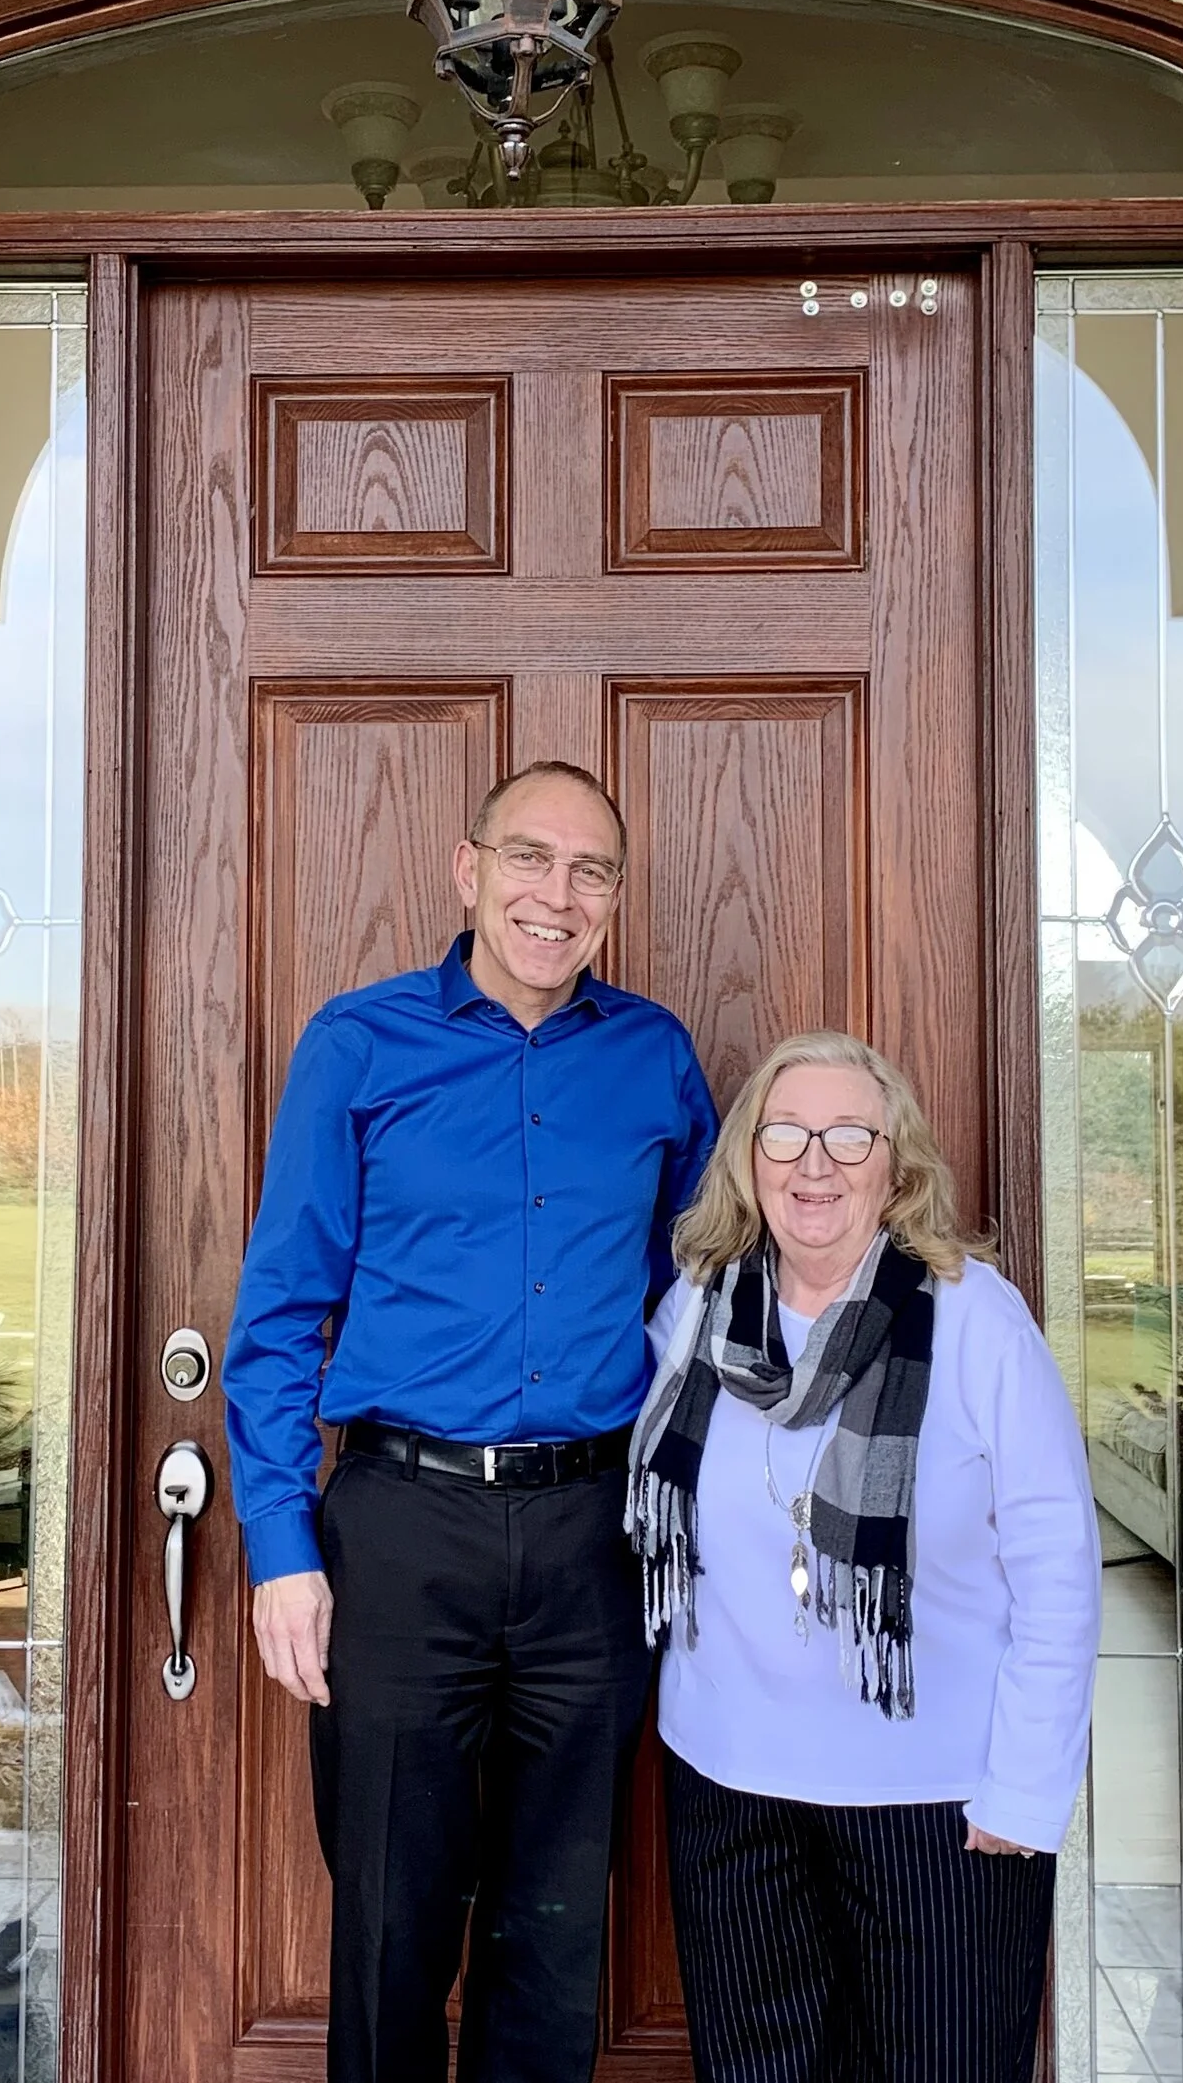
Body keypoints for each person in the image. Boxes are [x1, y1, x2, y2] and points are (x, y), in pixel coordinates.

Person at [223, 761, 719, 2083]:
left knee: (555, 1934)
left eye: (591, 870)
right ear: (469, 870)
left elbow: (703, 1294)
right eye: (529, 858)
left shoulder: (656, 1056)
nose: (558, 894)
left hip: (593, 1537)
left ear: (615, 896)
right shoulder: (357, 1043)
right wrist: (280, 1547)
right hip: (402, 1530)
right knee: (391, 1921)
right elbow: (281, 1313)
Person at [627, 1028, 1100, 2083]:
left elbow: (1058, 1565)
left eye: (850, 1135)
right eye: (785, 1134)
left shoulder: (973, 1318)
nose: (815, 1163)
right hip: (731, 1789)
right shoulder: (698, 1306)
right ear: (748, 1157)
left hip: (939, 1806)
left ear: (897, 1164)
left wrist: (1025, 1790)